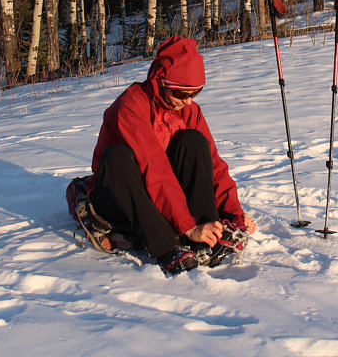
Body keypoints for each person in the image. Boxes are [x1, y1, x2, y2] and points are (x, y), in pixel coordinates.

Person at [85, 36, 256, 274]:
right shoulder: (131, 106)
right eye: (181, 93)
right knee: (118, 157)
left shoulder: (190, 110)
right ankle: (166, 246)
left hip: (161, 194)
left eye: (195, 93)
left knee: (193, 141)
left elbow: (214, 165)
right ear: (160, 81)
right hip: (119, 196)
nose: (188, 101)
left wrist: (234, 213)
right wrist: (186, 226)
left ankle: (207, 232)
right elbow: (153, 167)